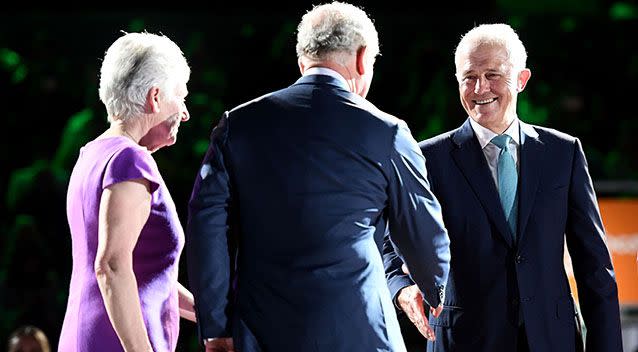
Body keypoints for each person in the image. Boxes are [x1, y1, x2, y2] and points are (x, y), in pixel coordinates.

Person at [186, 2, 451, 351]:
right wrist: (433, 288)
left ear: (302, 63)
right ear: (361, 58)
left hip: (261, 334)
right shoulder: (388, 132)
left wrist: (216, 329)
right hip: (361, 333)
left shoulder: (237, 127)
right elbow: (423, 235)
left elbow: (206, 228)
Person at [384, 23, 623, 351]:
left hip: (552, 340)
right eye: (469, 77)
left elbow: (594, 266)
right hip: (464, 340)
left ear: (522, 79)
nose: (480, 88)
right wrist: (401, 286)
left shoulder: (563, 153)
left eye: (492, 74)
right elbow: (387, 238)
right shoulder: (427, 158)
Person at [58, 31, 196, 352]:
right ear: (155, 97)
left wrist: (213, 315)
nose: (185, 112)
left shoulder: (92, 154)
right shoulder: (130, 159)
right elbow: (112, 267)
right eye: (182, 96)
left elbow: (144, 274)